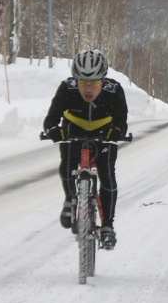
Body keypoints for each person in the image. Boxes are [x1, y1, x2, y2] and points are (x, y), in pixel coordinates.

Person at [43, 49, 128, 249]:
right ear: (75, 81)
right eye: (83, 83)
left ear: (103, 81)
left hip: (103, 135)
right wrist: (53, 130)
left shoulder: (114, 91)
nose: (88, 89)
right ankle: (69, 200)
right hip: (74, 132)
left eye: (94, 84)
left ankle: (107, 226)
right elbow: (51, 119)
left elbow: (121, 121)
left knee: (107, 176)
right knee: (67, 165)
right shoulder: (66, 88)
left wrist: (116, 132)